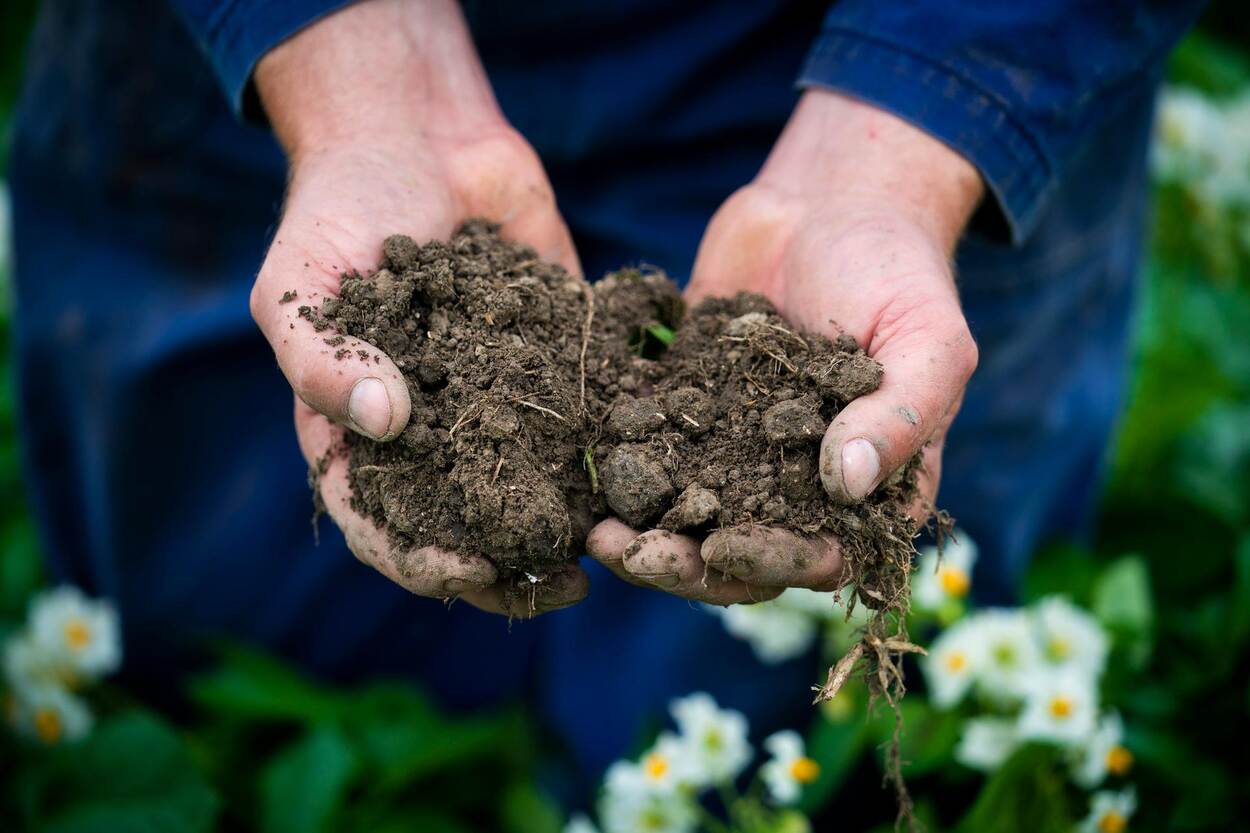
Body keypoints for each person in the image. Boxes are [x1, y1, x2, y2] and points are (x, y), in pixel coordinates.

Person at [9, 0, 1202, 789]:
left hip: (909, 64)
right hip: (278, 63)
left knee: (766, 746)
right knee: (231, 655)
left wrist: (914, 131)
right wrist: (346, 68)